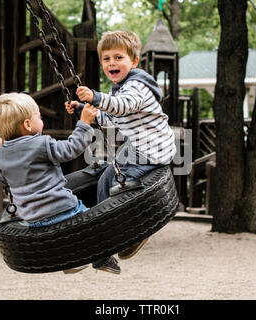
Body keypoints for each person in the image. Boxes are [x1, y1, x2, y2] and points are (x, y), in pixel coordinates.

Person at [65, 30, 177, 263]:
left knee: (120, 185)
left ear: (134, 61)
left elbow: (122, 107)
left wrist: (95, 97)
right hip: (138, 148)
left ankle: (137, 231)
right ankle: (106, 239)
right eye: (106, 59)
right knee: (106, 178)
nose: (111, 63)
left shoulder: (137, 86)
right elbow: (109, 119)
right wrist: (83, 111)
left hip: (152, 149)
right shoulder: (119, 89)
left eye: (118, 57)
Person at [0, 92, 120, 275]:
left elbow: (1, 180)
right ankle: (102, 259)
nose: (41, 119)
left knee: (59, 233)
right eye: (38, 116)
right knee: (96, 226)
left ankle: (70, 262)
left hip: (32, 219)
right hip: (65, 208)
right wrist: (84, 124)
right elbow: (71, 149)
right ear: (27, 125)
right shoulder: (41, 144)